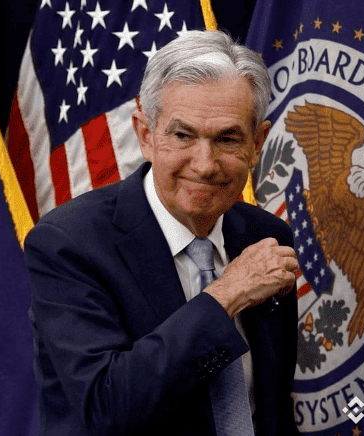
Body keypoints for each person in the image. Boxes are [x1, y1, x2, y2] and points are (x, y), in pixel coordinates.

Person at [24, 30, 300, 436]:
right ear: (145, 135)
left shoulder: (266, 236)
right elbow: (107, 406)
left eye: (227, 139)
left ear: (257, 144)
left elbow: (271, 409)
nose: (204, 165)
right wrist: (227, 294)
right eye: (183, 135)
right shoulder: (69, 243)